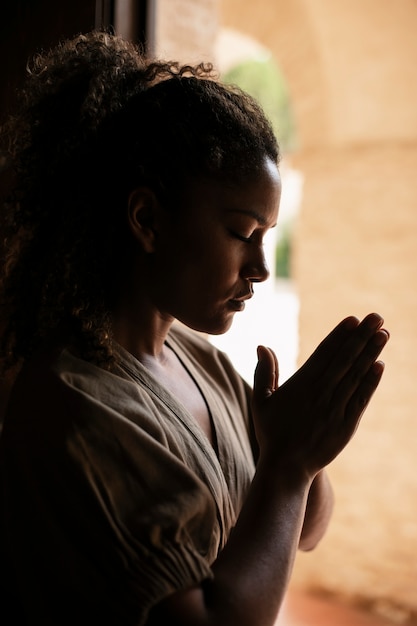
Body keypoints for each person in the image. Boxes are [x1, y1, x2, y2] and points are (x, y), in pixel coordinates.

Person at [0, 30, 389, 626]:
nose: (261, 267)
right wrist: (286, 465)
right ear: (148, 219)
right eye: (241, 232)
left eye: (268, 237)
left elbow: (304, 529)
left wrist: (299, 448)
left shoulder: (199, 361)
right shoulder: (75, 408)